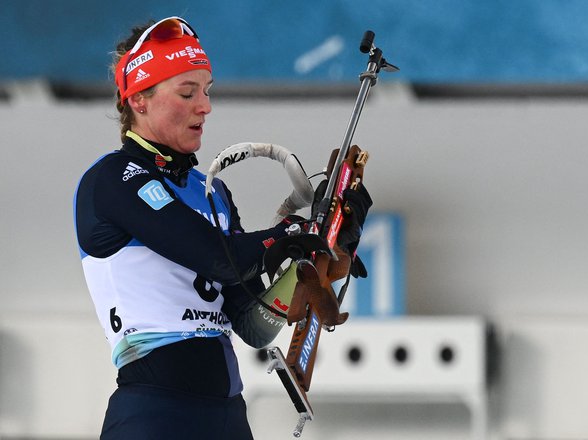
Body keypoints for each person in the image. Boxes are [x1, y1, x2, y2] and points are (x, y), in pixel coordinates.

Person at [73, 16, 372, 439]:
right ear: (139, 99)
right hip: (154, 415)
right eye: (187, 92)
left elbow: (250, 324)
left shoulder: (212, 191)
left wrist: (316, 253)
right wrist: (290, 233)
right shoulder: (112, 180)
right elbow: (220, 259)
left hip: (228, 416)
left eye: (207, 91)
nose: (205, 106)